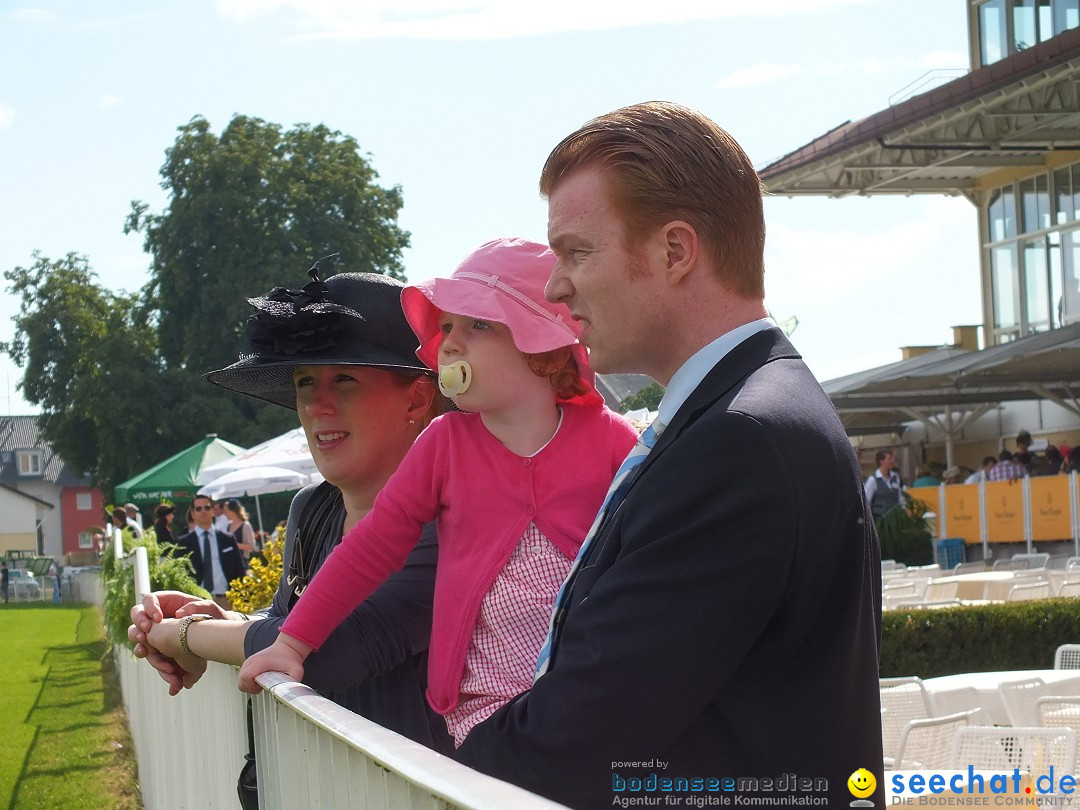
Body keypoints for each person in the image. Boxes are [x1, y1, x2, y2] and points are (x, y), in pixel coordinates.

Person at [451, 103, 883, 807]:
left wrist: (419, 768)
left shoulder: (740, 438)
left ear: (675, 252)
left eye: (576, 252)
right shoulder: (744, 413)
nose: (556, 286)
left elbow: (580, 737)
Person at [237, 238, 639, 749]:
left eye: (477, 325)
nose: (447, 344)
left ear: (542, 346)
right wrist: (291, 643)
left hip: (594, 697)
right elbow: (369, 547)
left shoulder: (612, 441)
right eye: (446, 326)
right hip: (483, 710)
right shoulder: (444, 446)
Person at [129, 269, 453, 756]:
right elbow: (287, 621)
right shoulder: (313, 511)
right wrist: (228, 617)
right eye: (305, 382)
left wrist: (184, 634)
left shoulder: (451, 516)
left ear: (417, 397)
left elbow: (325, 649)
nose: (316, 405)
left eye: (343, 379)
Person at [169, 493, 246, 610]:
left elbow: (240, 570)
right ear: (193, 514)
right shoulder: (183, 543)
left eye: (207, 507)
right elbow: (178, 575)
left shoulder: (227, 539)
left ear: (213, 511)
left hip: (226, 600)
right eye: (198, 509)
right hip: (197, 600)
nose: (203, 511)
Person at [865, 448, 904, 519]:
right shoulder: (873, 479)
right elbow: (866, 501)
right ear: (881, 461)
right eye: (890, 458)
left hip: (895, 518)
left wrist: (904, 508)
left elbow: (900, 496)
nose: (893, 460)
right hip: (880, 519)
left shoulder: (895, 476)